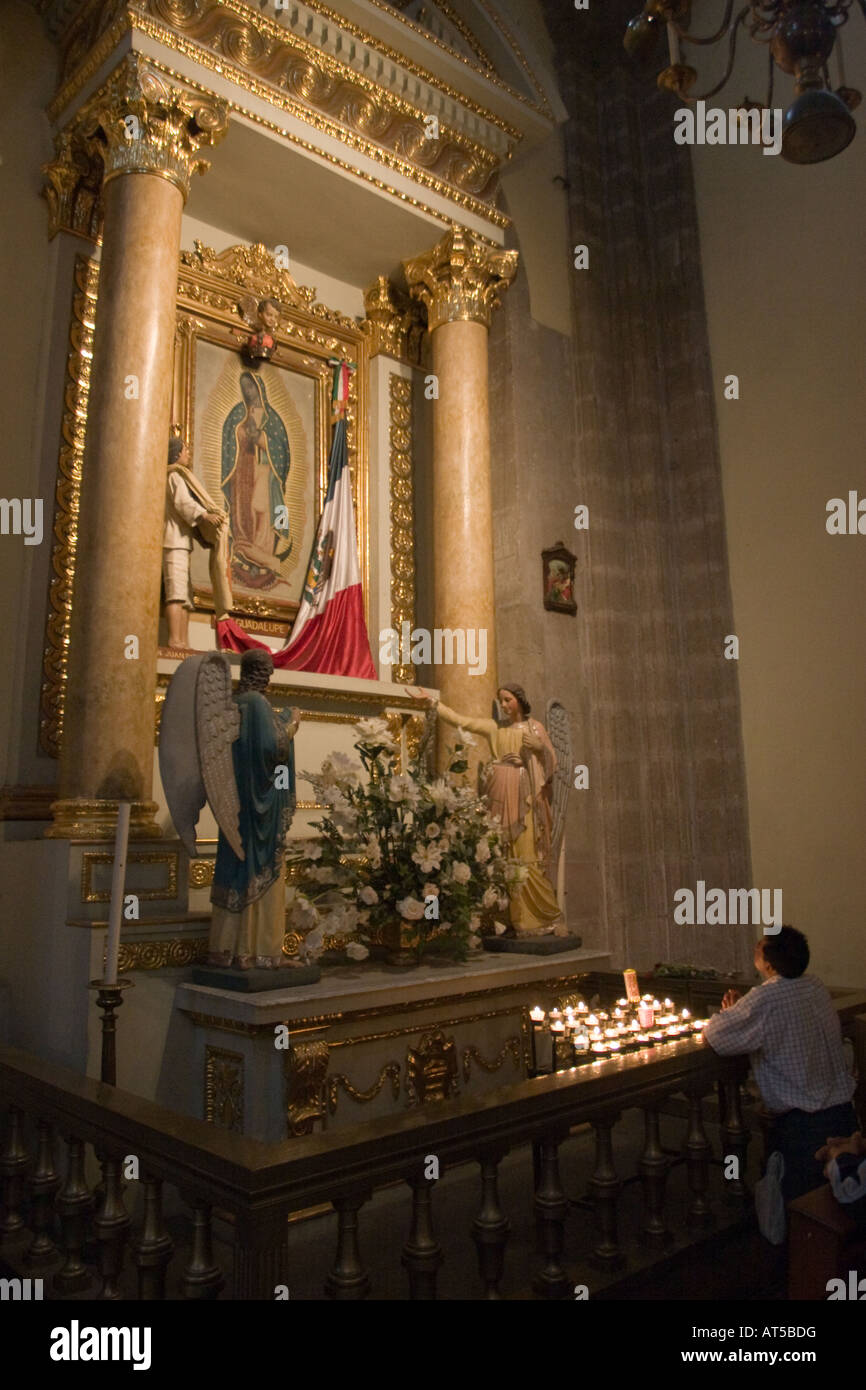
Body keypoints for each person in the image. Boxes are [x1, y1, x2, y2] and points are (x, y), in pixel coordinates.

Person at [702, 926, 858, 1201]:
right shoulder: (815, 986)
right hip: (843, 1111)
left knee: (806, 1204)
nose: (755, 948)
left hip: (804, 1124)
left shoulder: (766, 997)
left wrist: (732, 1013)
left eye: (759, 946)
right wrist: (743, 1012)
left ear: (769, 964)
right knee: (843, 1197)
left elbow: (716, 1035)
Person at [406, 682, 562, 934]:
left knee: (526, 851)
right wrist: (433, 703)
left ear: (520, 701)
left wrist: (539, 748)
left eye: (508, 699)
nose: (503, 705)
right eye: (501, 700)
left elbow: (553, 763)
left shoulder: (535, 728)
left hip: (525, 797)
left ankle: (540, 917)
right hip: (499, 793)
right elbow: (462, 721)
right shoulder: (494, 728)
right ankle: (511, 917)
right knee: (502, 853)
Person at [209, 649, 300, 969]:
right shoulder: (258, 704)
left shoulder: (230, 705)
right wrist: (290, 722)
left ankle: (229, 948)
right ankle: (261, 951)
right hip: (261, 809)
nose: (270, 678)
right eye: (268, 672)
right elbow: (270, 748)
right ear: (261, 673)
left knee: (236, 867)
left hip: (235, 807)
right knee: (262, 871)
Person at [163, 435, 229, 649]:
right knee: (176, 593)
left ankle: (183, 642)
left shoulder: (178, 476)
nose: (188, 453)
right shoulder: (174, 476)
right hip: (173, 541)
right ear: (176, 453)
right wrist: (204, 515)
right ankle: (175, 641)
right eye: (185, 450)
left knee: (184, 596)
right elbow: (183, 503)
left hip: (181, 542)